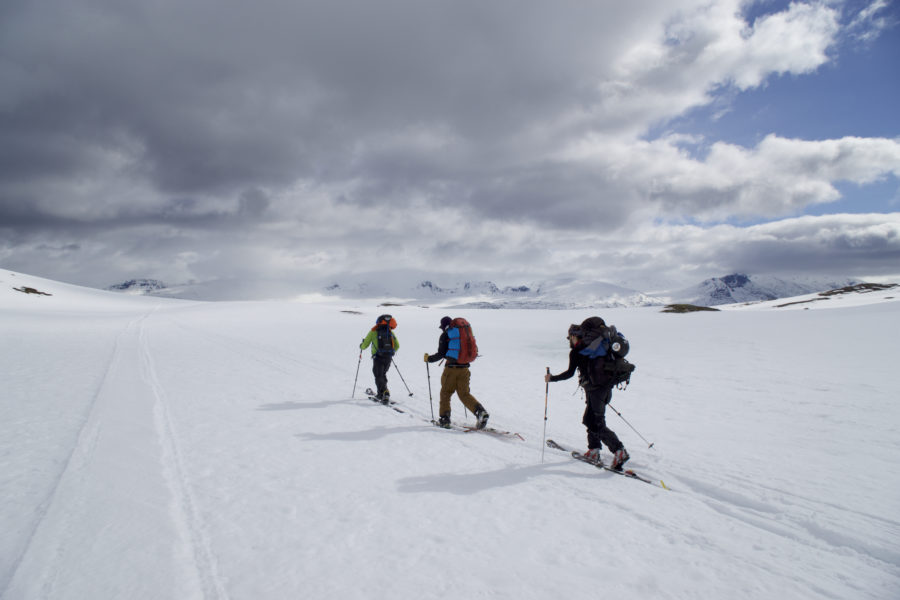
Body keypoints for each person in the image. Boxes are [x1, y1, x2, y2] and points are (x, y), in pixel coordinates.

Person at [544, 320, 630, 470]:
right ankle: (594, 450)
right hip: (605, 388)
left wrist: (552, 378)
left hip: (595, 390)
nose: (570, 340)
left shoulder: (578, 351)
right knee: (590, 419)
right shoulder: (597, 347)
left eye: (570, 337)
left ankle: (619, 451)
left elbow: (569, 374)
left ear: (574, 336)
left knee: (596, 422)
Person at [424, 316, 489, 429]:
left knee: (446, 393)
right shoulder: (463, 334)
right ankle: (480, 412)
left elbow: (441, 354)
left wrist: (428, 359)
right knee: (464, 394)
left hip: (451, 370)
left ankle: (445, 419)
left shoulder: (445, 335)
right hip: (464, 369)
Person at [360, 314, 399, 403]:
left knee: (378, 375)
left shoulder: (373, 332)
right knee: (383, 374)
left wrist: (361, 346)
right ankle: (383, 392)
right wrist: (390, 352)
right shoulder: (390, 332)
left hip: (378, 357)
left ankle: (384, 393)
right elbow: (397, 346)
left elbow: (365, 345)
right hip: (388, 357)